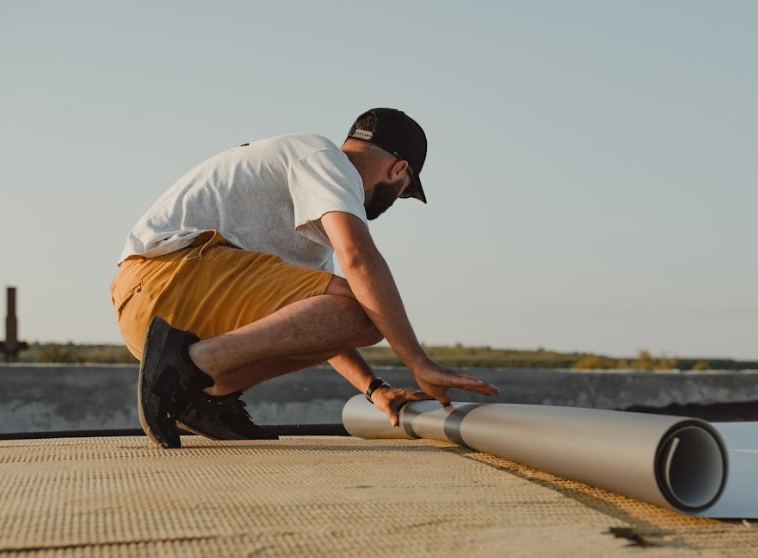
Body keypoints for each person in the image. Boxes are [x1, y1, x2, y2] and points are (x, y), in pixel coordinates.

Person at [110, 108, 499, 448]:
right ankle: (187, 367)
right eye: (402, 192)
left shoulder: (310, 217)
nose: (395, 200)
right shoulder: (324, 158)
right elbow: (360, 260)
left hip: (156, 303)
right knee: (369, 307)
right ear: (399, 171)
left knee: (354, 310)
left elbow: (320, 324)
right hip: (165, 277)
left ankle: (202, 394)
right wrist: (419, 362)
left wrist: (374, 389)